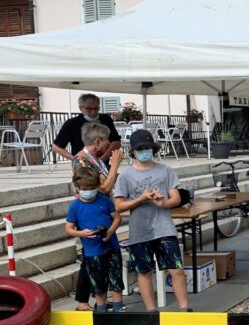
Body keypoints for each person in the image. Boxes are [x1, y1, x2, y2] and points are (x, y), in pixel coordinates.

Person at [113, 129, 190, 312]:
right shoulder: (125, 175)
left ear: (154, 148)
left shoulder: (166, 170)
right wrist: (141, 199)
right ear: (133, 151)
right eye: (140, 148)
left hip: (164, 228)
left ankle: (185, 308)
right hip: (139, 231)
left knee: (176, 269)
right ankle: (151, 312)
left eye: (148, 147)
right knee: (144, 271)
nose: (145, 151)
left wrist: (161, 202)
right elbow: (119, 205)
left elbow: (177, 198)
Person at [65, 167, 125, 313]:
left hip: (111, 246)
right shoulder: (75, 207)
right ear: (78, 188)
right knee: (98, 282)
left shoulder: (104, 201)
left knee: (115, 278)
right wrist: (82, 234)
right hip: (92, 251)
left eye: (92, 188)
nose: (89, 191)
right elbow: (68, 228)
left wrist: (110, 231)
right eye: (85, 188)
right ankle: (102, 309)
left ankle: (119, 307)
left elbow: (117, 218)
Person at [52, 94, 122, 162]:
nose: (93, 112)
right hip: (82, 164)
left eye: (96, 108)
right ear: (80, 108)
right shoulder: (72, 123)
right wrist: (75, 159)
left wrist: (102, 159)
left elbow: (116, 142)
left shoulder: (106, 119)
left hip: (104, 162)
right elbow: (56, 147)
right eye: (89, 108)